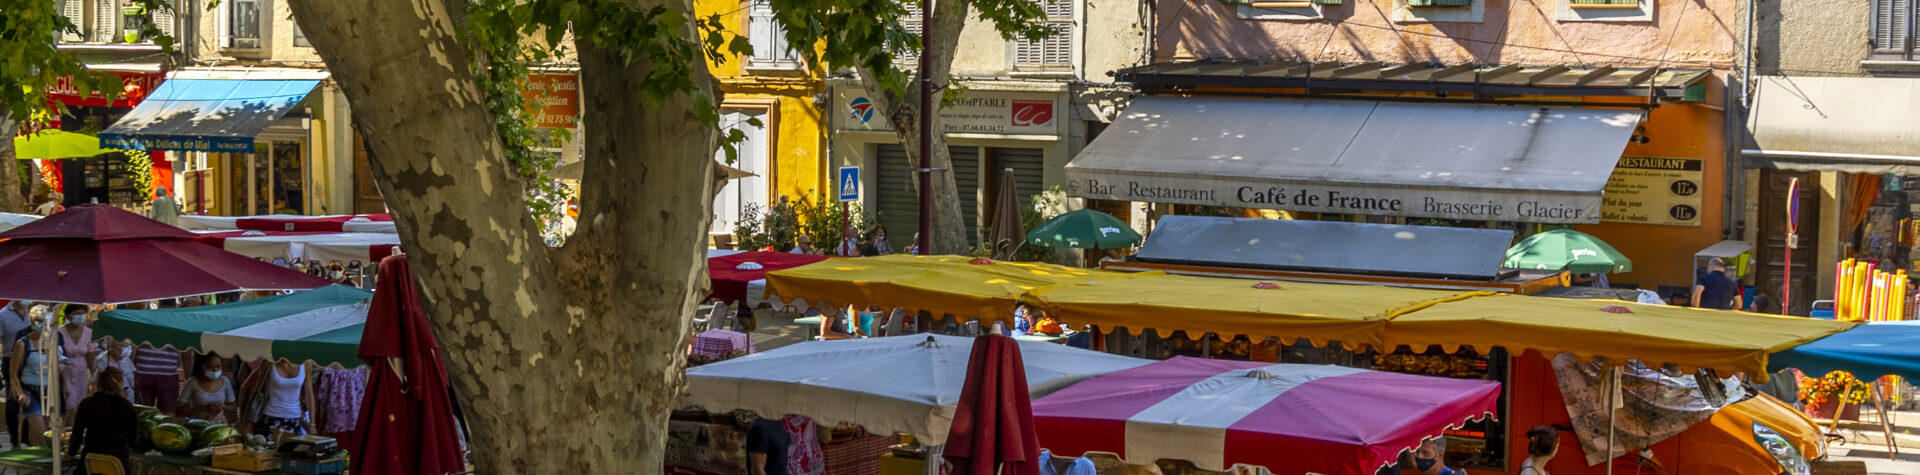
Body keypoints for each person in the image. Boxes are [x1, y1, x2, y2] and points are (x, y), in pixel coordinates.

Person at [68, 366, 137, 470]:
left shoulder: (86, 404)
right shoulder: (127, 406)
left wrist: (71, 453)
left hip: (91, 461)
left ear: (98, 383)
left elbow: (77, 433)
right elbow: (132, 439)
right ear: (120, 383)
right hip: (118, 463)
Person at [10, 306, 58, 447]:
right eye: (37, 321)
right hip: (30, 390)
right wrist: (20, 393)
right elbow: (13, 373)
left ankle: (38, 463)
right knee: (40, 431)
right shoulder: (23, 343)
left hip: (48, 390)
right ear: (31, 322)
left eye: (43, 321)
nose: (41, 325)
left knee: (48, 433)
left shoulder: (52, 341)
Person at [242, 360, 317, 435]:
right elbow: (256, 390)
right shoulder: (269, 362)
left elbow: (309, 394)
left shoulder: (305, 363)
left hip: (294, 418)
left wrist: (312, 423)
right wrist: (248, 418)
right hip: (270, 416)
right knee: (269, 445)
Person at [745, 414, 824, 475]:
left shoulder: (775, 423)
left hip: (794, 458)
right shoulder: (762, 427)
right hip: (807, 457)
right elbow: (825, 437)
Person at [0, 300, 30, 448]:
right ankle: (15, 440)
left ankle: (27, 436)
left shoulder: (33, 313)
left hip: (31, 360)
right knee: (13, 399)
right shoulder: (3, 315)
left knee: (30, 397)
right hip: (10, 360)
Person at [57, 305, 96, 417]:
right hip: (65, 373)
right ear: (69, 315)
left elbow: (90, 356)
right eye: (77, 313)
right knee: (67, 405)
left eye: (82, 313)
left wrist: (94, 377)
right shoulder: (59, 332)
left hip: (81, 374)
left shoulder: (88, 332)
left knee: (81, 404)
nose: (80, 316)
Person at [177, 353, 235, 423]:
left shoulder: (225, 381)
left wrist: (223, 407)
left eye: (218, 366)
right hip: (197, 423)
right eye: (210, 367)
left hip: (220, 424)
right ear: (203, 366)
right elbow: (180, 408)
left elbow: (233, 406)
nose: (215, 370)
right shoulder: (192, 382)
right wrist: (202, 409)